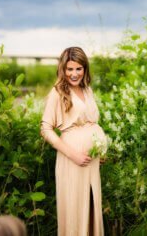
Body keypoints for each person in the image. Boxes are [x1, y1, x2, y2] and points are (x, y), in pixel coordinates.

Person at [41, 47, 106, 236]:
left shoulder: (87, 90)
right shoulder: (58, 92)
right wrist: (73, 154)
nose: (74, 74)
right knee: (75, 210)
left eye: (78, 68)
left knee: (91, 206)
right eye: (70, 69)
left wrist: (99, 150)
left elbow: (91, 123)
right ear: (63, 69)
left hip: (91, 162)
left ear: (85, 69)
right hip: (72, 161)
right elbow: (45, 129)